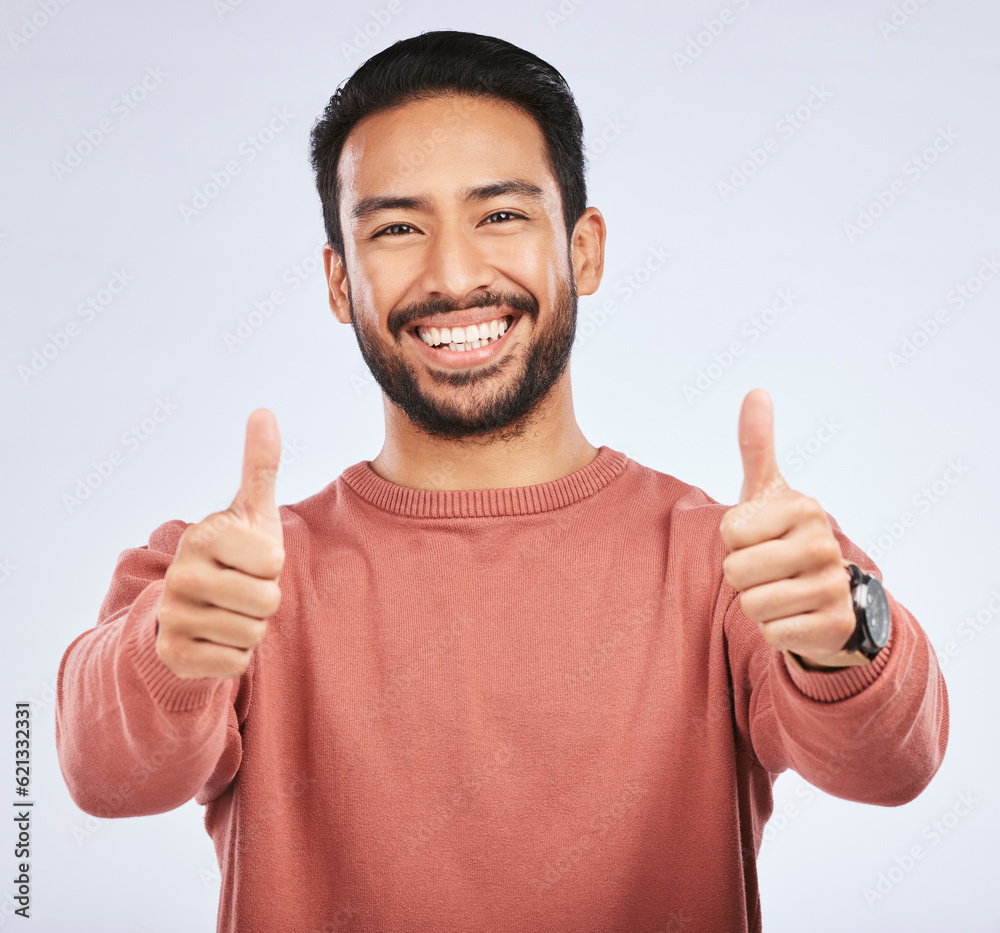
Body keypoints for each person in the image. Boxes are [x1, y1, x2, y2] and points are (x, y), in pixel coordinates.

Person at [55, 29, 948, 933]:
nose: (453, 275)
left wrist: (845, 635)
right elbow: (100, 773)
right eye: (398, 228)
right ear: (339, 282)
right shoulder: (233, 580)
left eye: (502, 215)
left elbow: (894, 764)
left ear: (584, 250)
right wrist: (170, 656)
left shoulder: (741, 562)